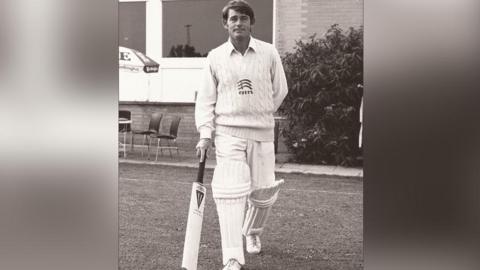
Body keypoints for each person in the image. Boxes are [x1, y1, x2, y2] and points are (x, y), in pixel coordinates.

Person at [194, 1, 288, 269]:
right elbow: (205, 100)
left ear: (251, 23)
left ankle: (252, 233)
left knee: (263, 193)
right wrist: (205, 134)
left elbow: (280, 90)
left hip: (262, 134)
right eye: (233, 19)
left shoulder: (269, 53)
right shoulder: (215, 57)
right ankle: (232, 257)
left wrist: (261, 114)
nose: (238, 23)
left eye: (244, 18)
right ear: (226, 24)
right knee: (230, 193)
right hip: (228, 135)